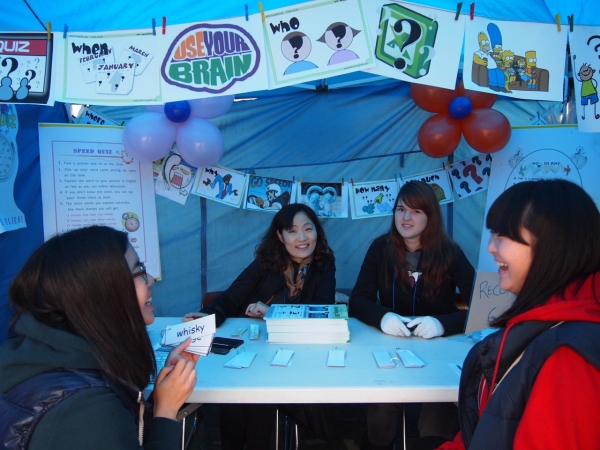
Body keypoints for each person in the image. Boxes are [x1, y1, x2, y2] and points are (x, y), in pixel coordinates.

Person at [0, 225, 198, 450]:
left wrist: (161, 397)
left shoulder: (35, 355)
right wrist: (166, 411)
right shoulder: (86, 409)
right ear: (101, 292)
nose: (151, 279)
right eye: (138, 271)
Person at [438, 179, 600, 450]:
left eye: (503, 234)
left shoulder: (570, 359)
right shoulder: (543, 325)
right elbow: (485, 433)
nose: (491, 247)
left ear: (552, 244)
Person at [185, 203, 336, 450]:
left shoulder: (324, 264)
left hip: (297, 353)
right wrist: (205, 319)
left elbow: (322, 312)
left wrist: (273, 313)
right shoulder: (267, 261)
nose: (302, 238)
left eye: (308, 229)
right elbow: (231, 298)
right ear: (280, 235)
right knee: (240, 391)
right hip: (255, 348)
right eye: (292, 231)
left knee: (259, 395)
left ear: (317, 231)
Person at [349, 181, 475, 450]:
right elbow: (358, 300)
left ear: (430, 215)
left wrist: (443, 324)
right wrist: (383, 317)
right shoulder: (380, 248)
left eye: (416, 211)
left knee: (436, 417)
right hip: (389, 351)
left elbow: (483, 308)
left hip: (438, 353)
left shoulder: (450, 253)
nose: (406, 217)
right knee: (381, 412)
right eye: (400, 209)